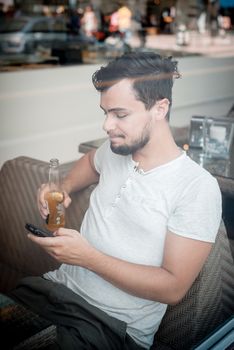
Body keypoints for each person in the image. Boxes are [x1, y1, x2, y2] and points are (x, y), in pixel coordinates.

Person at [1, 52, 222, 350]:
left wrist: (87, 257)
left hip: (111, 328)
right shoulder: (115, 150)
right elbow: (92, 161)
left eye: (120, 114)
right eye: (105, 112)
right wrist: (65, 187)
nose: (107, 125)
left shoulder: (196, 187)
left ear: (160, 108)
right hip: (55, 290)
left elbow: (173, 288)